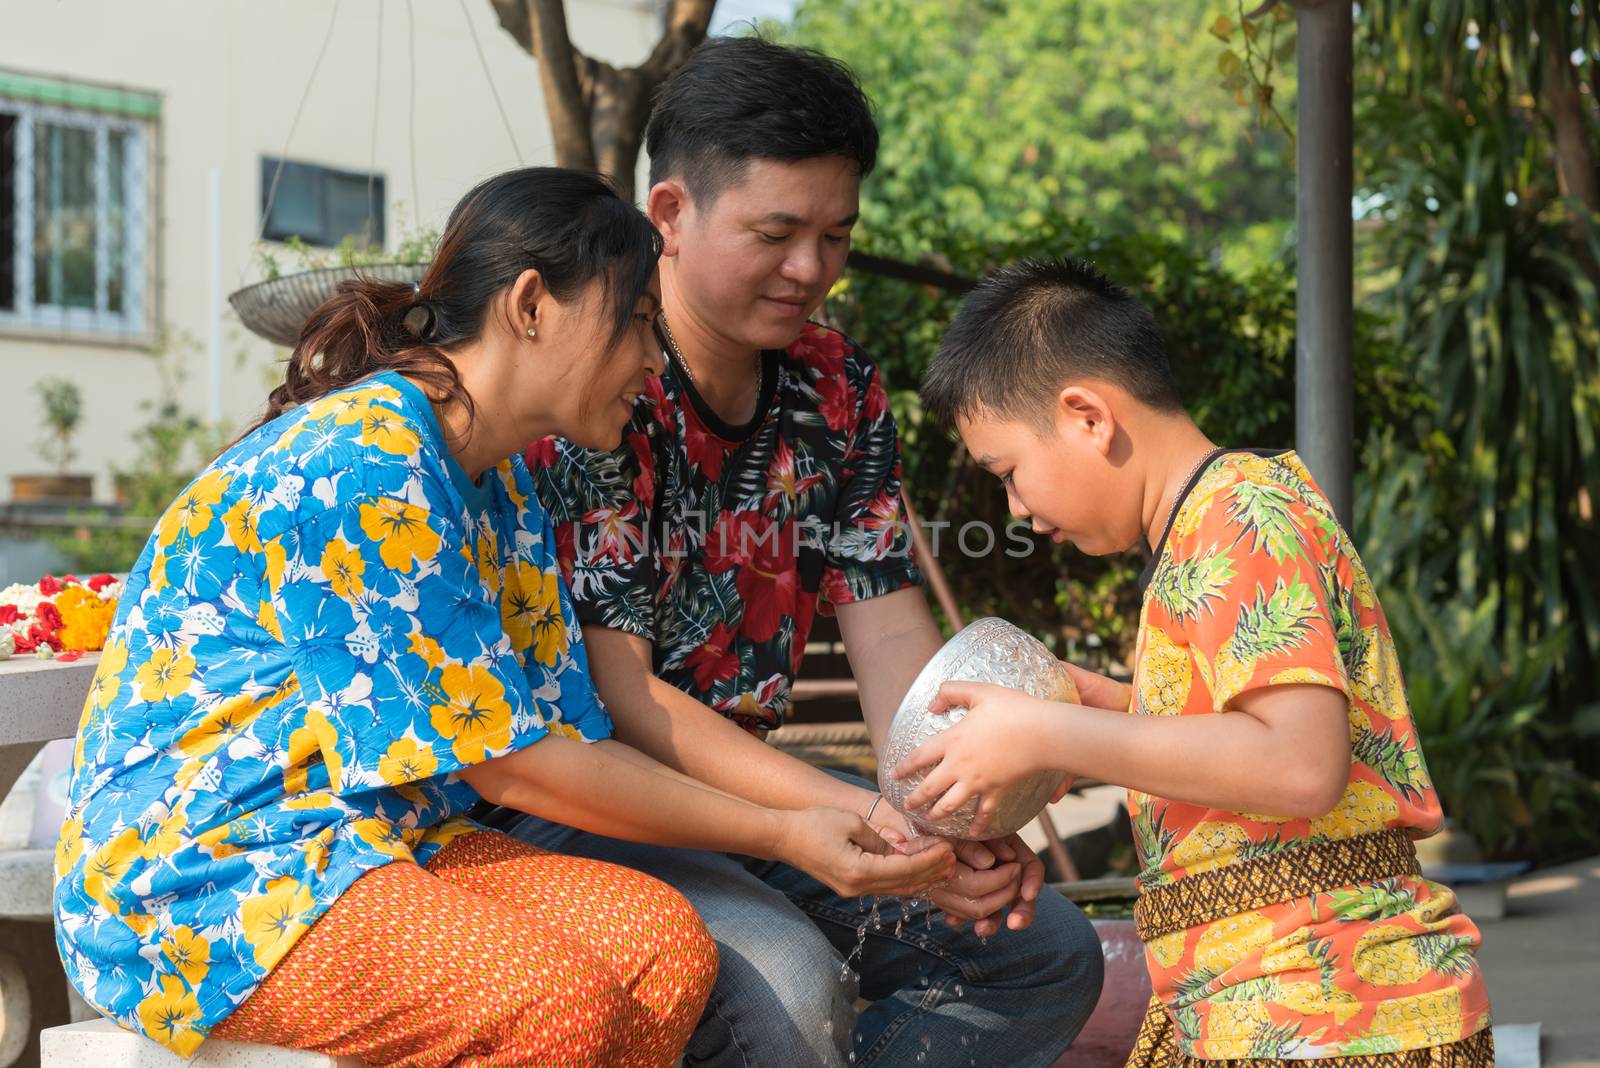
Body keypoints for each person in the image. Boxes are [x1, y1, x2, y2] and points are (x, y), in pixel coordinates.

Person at [52, 167, 953, 1068]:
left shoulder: (505, 480)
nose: (652, 358)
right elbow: (514, 767)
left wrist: (835, 819)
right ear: (531, 305)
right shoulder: (368, 460)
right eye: (638, 318)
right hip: (208, 876)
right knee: (555, 1003)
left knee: (663, 947)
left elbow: (572, 739)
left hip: (383, 844)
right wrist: (786, 832)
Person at [492, 36, 1103, 1068]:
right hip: (578, 811)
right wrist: (858, 811)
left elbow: (890, 631)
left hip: (757, 806)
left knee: (1037, 952)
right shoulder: (598, 387)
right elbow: (624, 702)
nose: (811, 268)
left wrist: (941, 812)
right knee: (787, 981)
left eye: (835, 235)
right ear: (672, 216)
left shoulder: (842, 389)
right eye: (776, 232)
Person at [898, 257, 1495, 1064]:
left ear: (1086, 416)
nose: (1019, 511)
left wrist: (1051, 735)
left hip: (1334, 1011)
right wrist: (1095, 709)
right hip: (1270, 1005)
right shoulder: (1201, 531)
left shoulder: (1238, 512)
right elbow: (1234, 743)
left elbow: (1298, 763)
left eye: (1008, 473)